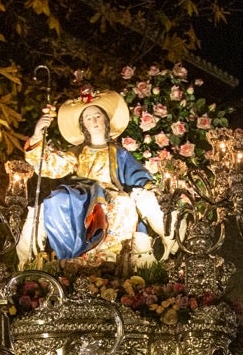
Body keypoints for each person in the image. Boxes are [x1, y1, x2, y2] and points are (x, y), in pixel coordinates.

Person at [19, 90, 174, 266]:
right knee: (57, 200)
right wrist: (38, 134)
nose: (94, 121)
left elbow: (136, 174)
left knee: (123, 203)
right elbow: (49, 165)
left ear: (106, 120)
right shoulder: (77, 153)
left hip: (111, 194)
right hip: (82, 195)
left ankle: (108, 256)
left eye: (97, 116)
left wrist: (148, 186)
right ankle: (71, 256)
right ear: (83, 126)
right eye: (88, 118)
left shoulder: (118, 153)